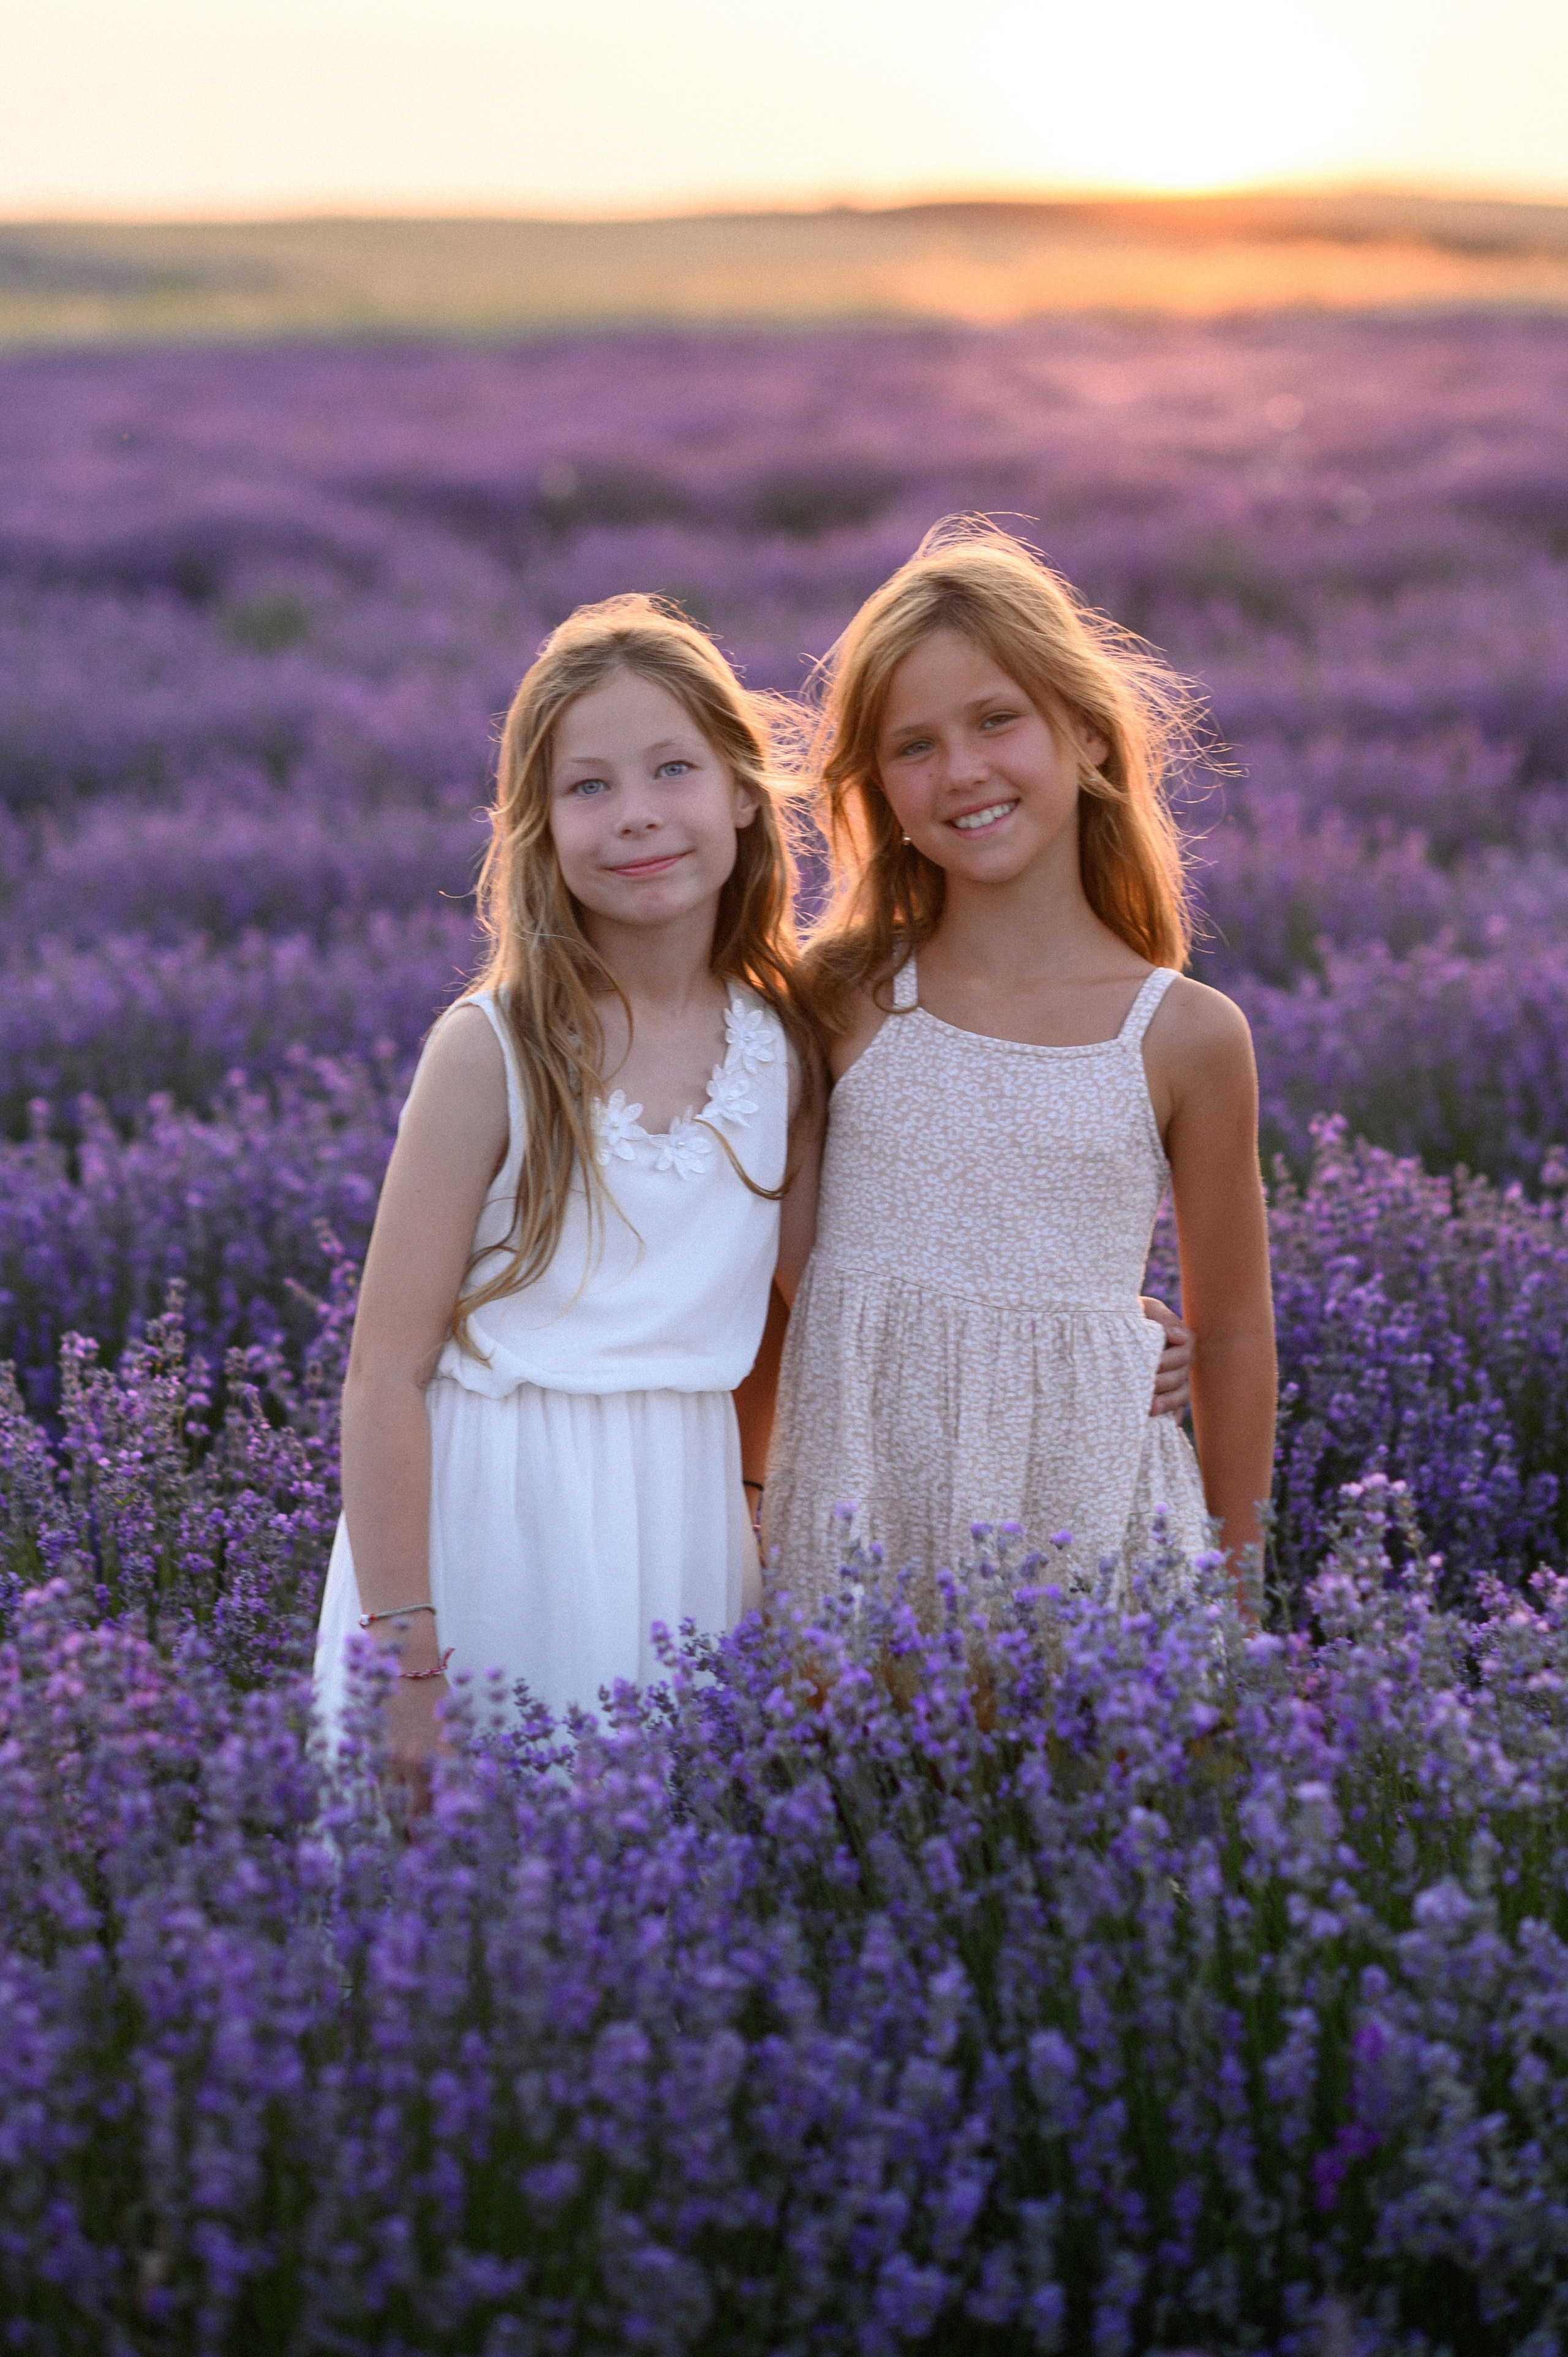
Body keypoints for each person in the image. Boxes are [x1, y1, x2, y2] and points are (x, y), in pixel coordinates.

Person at [313, 597, 822, 1784]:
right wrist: (408, 1662)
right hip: (489, 1525)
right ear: (535, 827)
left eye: (672, 769)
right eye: (586, 787)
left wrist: (1094, 1327)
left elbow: (837, 1302)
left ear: (745, 792)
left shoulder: (783, 1050)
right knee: (458, 1921)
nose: (636, 812)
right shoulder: (491, 1047)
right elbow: (383, 1372)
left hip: (686, 1525)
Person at [763, 524, 1276, 1611]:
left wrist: (1240, 1600)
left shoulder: (1183, 1035)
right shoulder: (840, 999)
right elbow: (770, 1275)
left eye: (997, 721)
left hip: (1094, 1533)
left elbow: (1231, 1333)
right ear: (880, 791)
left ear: (1088, 736)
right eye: (913, 746)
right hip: (867, 1520)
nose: (963, 772)